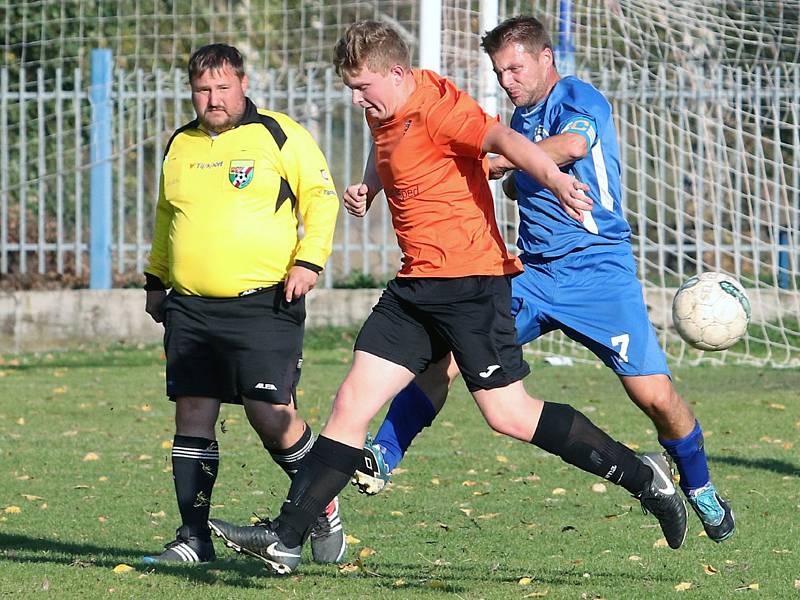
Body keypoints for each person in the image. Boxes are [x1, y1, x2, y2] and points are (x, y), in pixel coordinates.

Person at [207, 20, 687, 575]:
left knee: (509, 415)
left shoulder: (442, 107)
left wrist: (554, 180)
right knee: (350, 404)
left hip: (471, 286)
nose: (359, 99)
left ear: (396, 72)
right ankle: (287, 536)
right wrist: (372, 184)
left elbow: (505, 141)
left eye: (364, 87)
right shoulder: (381, 109)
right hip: (414, 288)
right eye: (351, 89)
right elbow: (383, 144)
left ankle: (644, 478)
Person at [353, 15, 735, 544]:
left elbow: (572, 148)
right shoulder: (515, 118)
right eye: (499, 70)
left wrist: (503, 162)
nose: (507, 79)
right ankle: (384, 453)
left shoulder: (580, 97)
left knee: (653, 397)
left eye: (515, 67)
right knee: (446, 354)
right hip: (532, 274)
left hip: (600, 272)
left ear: (545, 58)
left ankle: (700, 486)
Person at [141, 43, 345, 565]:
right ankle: (194, 538)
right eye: (203, 89)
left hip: (265, 302)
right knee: (193, 413)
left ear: (243, 84)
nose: (213, 98)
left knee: (272, 415)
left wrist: (310, 261)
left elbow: (320, 199)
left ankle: (317, 506)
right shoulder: (180, 144)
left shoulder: (279, 134)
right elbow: (167, 216)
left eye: (222, 87)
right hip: (189, 306)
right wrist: (155, 278)